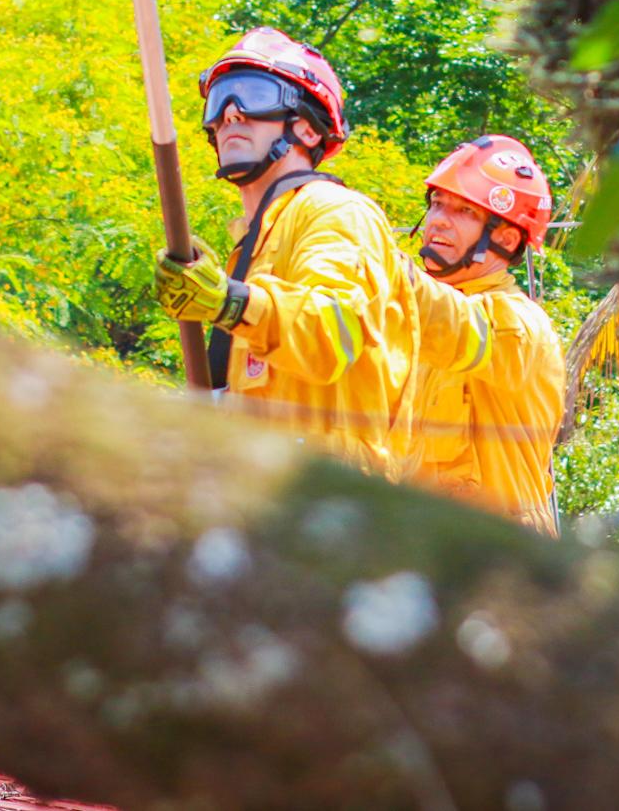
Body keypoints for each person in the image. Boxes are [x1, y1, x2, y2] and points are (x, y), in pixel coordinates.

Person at [151, 28, 422, 480]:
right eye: (219, 100)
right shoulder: (254, 246)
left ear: (307, 127)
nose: (231, 113)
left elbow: (332, 332)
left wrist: (229, 301)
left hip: (334, 496)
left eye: (254, 94)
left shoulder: (335, 211)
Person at [405, 136, 565, 535]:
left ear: (506, 239)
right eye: (437, 203)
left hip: (505, 550)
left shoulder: (517, 322)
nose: (439, 220)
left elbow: (456, 327)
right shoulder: (417, 320)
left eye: (464, 210)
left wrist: (377, 266)